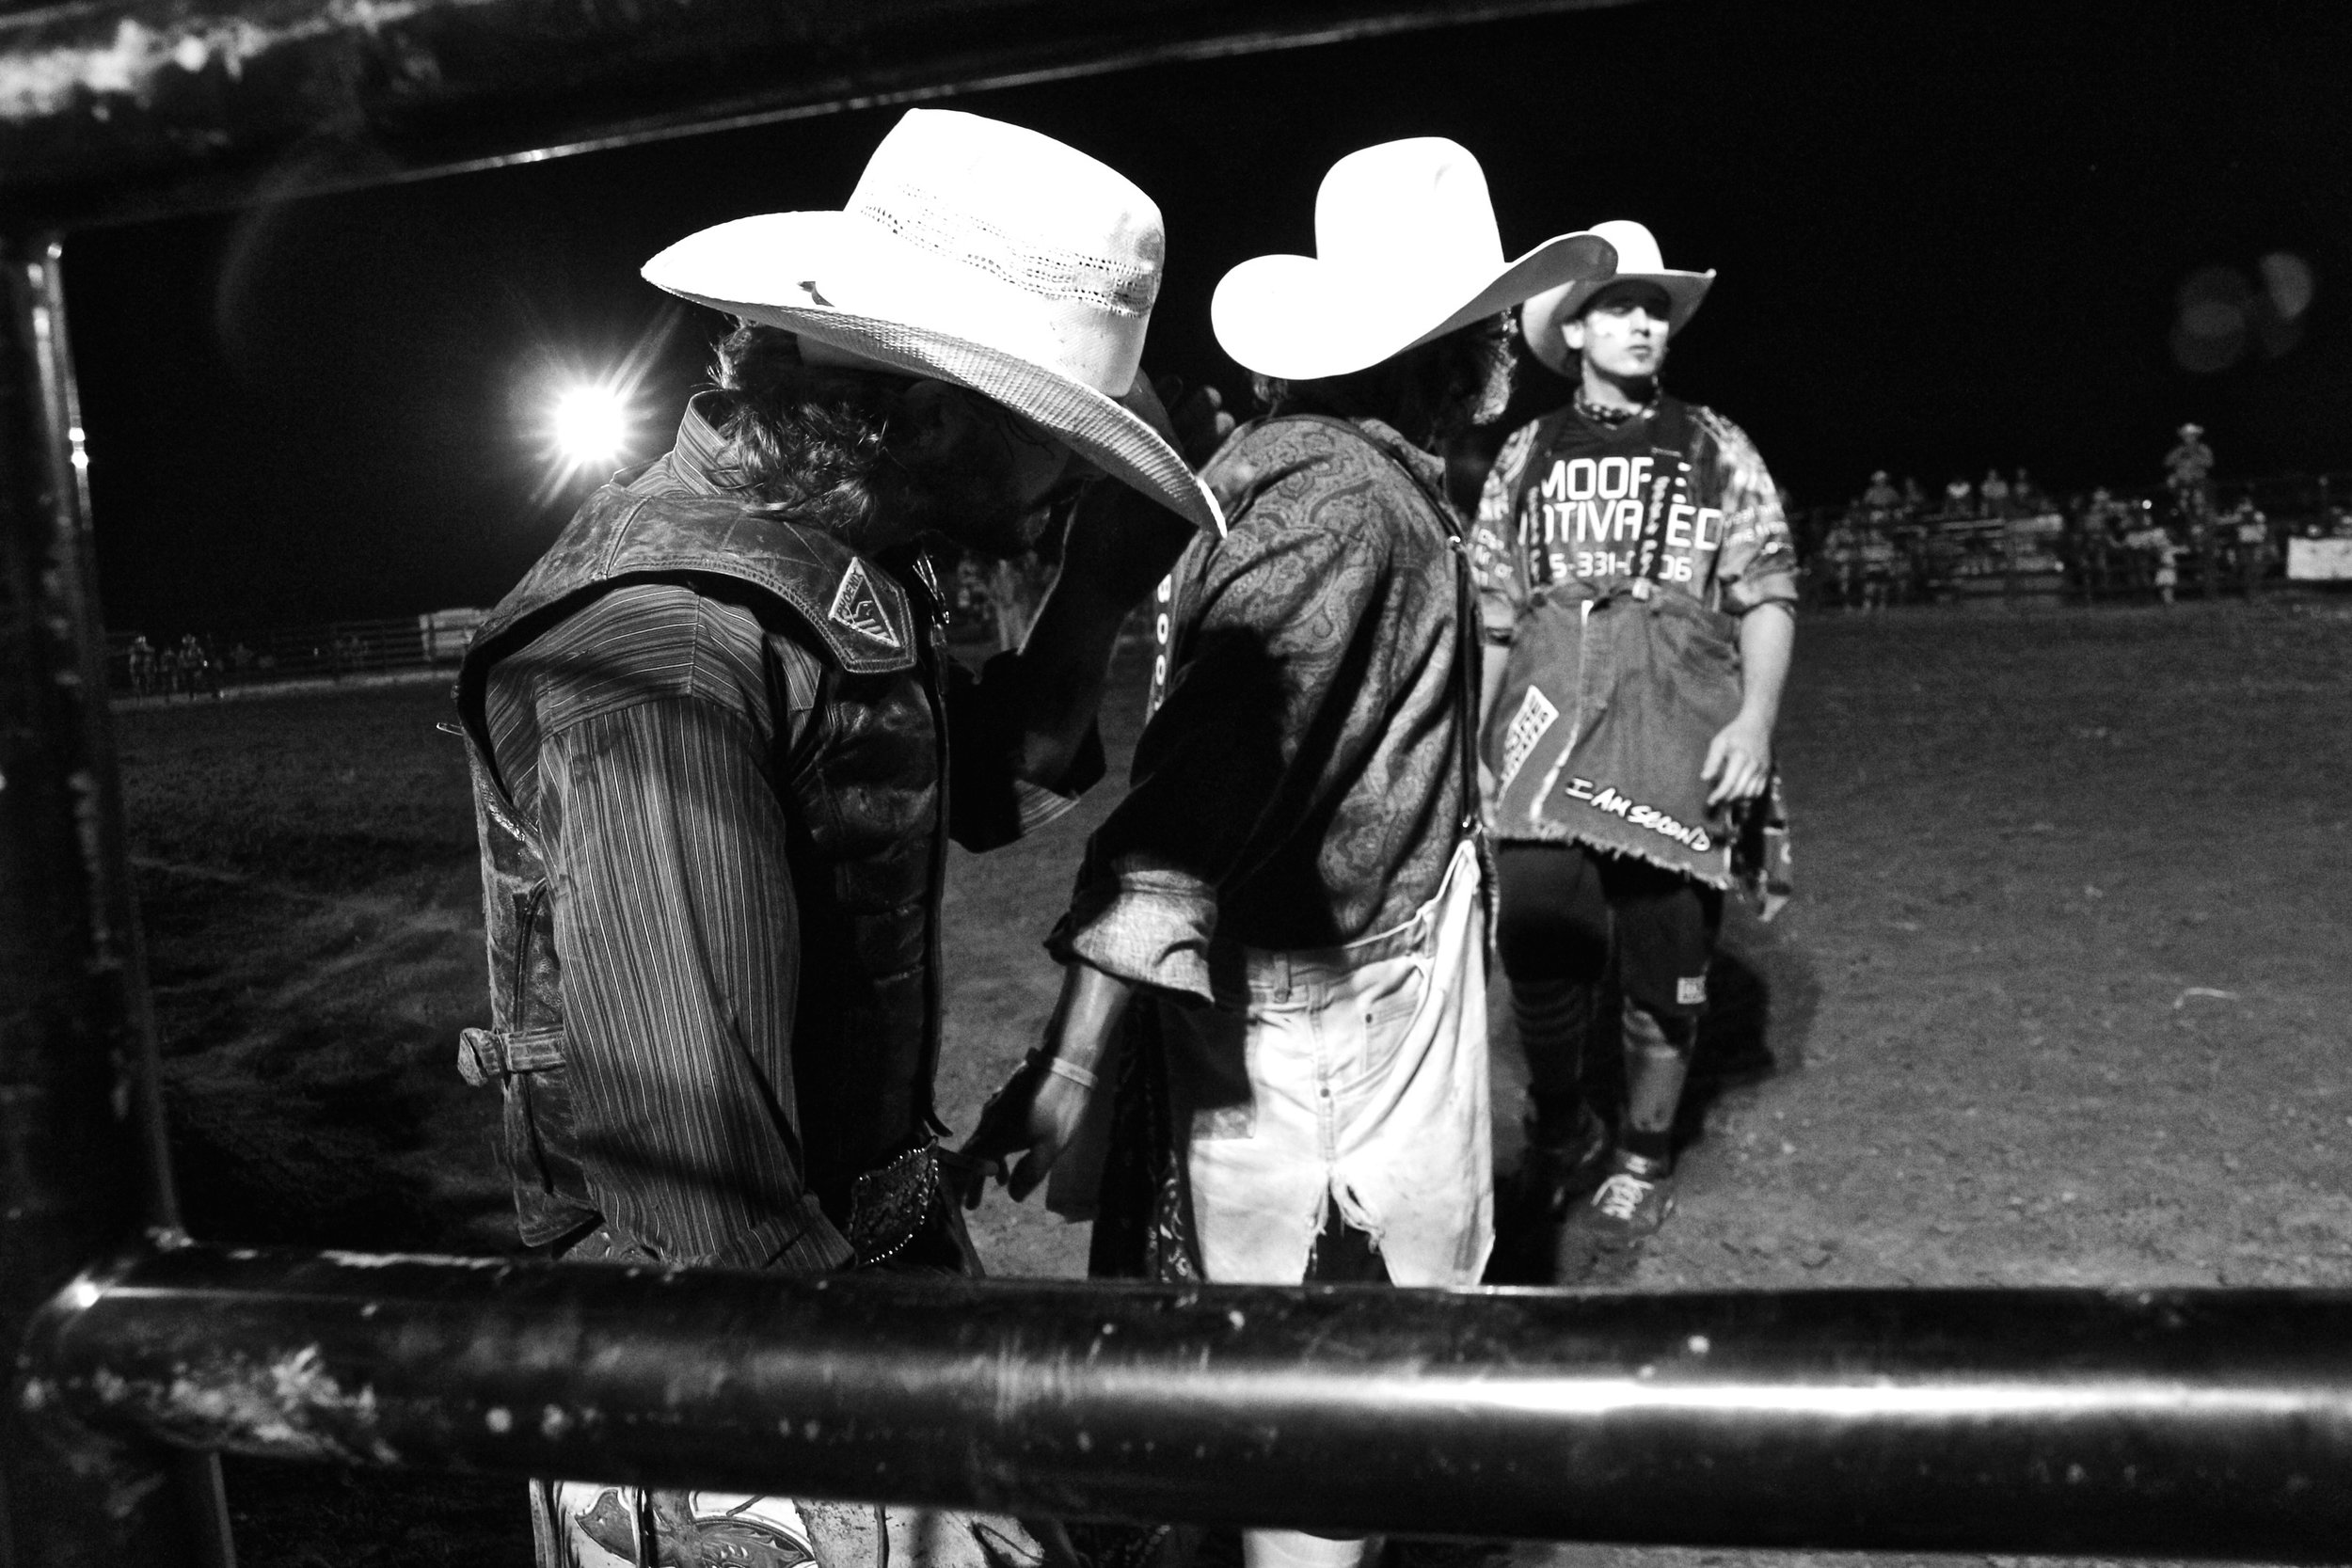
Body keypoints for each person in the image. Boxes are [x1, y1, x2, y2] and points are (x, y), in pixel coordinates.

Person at [451, 108, 1224, 1568]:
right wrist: (876, 1440)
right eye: (1053, 444)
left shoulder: (831, 563)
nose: (1063, 488)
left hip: (854, 1268)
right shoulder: (673, 638)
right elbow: (695, 1162)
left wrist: (1103, 586)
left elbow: (942, 794)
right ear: (930, 418)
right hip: (734, 1351)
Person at [961, 138, 1615, 1568]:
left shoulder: (1334, 484)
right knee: (1316, 1440)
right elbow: (1194, 800)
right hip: (1324, 1041)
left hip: (1328, 1010)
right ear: (1450, 354)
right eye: (1492, 327)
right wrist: (1075, 1057)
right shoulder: (1343, 507)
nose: (1512, 350)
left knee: (1270, 1412)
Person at [1473, 219, 1799, 1272]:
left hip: (1675, 715)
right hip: (1542, 716)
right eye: (1619, 304)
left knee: (1665, 952)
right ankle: (1562, 1116)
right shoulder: (1524, 454)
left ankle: (1646, 1151)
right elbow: (1491, 611)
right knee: (1535, 920)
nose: (1643, 322)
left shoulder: (1715, 443)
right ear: (1571, 328)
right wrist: (1475, 745)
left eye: (1655, 306)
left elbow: (1766, 591)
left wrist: (1752, 721)